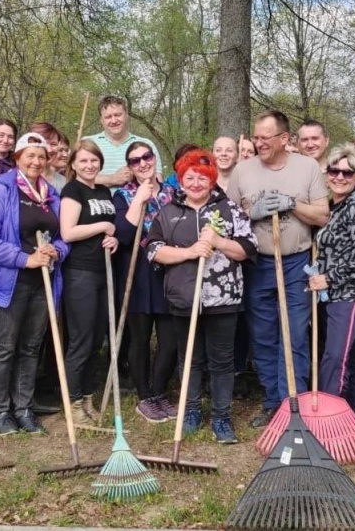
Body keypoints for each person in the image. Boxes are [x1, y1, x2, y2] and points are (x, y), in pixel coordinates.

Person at [227, 110, 329, 427]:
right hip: (258, 264)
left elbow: (323, 216)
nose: (259, 143)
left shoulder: (308, 167)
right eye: (256, 137)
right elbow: (227, 220)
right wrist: (252, 213)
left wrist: (292, 204)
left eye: (265, 137)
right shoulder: (242, 171)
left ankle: (292, 404)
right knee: (263, 336)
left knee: (295, 335)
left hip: (297, 261)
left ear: (284, 138)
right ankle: (273, 400)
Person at [148, 149, 257, 443]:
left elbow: (248, 249)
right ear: (181, 180)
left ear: (211, 181)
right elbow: (153, 249)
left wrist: (218, 241)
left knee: (222, 361)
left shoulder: (228, 209)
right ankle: (192, 410)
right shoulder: (169, 212)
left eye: (202, 178)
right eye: (189, 178)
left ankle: (221, 417)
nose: (195, 183)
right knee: (190, 359)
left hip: (224, 298)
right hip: (184, 297)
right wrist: (189, 251)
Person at [0, 132, 69, 436]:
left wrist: (56, 250)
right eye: (30, 155)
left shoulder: (51, 195)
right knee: (4, 348)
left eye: (42, 156)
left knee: (30, 347)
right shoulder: (2, 191)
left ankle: (23, 408)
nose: (36, 161)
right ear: (17, 158)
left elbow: (63, 238)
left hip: (43, 282)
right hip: (8, 282)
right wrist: (24, 259)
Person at [308, 144, 355, 425]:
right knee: (352, 356)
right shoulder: (334, 206)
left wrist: (329, 276)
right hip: (332, 295)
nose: (340, 177)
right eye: (335, 171)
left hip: (350, 294)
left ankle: (326, 418)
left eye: (349, 172)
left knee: (335, 358)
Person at [114, 140, 178, 423]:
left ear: (155, 158)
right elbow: (124, 235)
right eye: (135, 161)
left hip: (168, 272)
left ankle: (159, 391)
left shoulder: (174, 193)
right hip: (136, 273)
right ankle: (144, 396)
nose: (142, 163)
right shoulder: (122, 196)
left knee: (170, 340)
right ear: (129, 167)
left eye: (146, 157)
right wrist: (140, 198)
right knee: (139, 338)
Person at [58, 140, 117, 429]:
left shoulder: (103, 191)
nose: (89, 165)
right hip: (80, 272)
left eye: (94, 160)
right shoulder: (72, 190)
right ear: (73, 165)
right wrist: (102, 227)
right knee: (81, 339)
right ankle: (72, 401)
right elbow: (68, 232)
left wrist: (113, 236)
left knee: (97, 339)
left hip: (103, 271)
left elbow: (109, 225)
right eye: (83, 161)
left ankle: (87, 395)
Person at [85, 95, 162, 188]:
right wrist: (112, 179)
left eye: (118, 115)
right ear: (101, 120)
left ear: (126, 116)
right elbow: (76, 178)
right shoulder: (88, 143)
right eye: (108, 117)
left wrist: (135, 173)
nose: (113, 120)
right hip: (96, 201)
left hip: (139, 200)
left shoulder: (146, 145)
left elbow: (158, 181)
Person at [29, 122, 69, 192]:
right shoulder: (16, 178)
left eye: (54, 144)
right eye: (44, 143)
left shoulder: (64, 183)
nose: (49, 150)